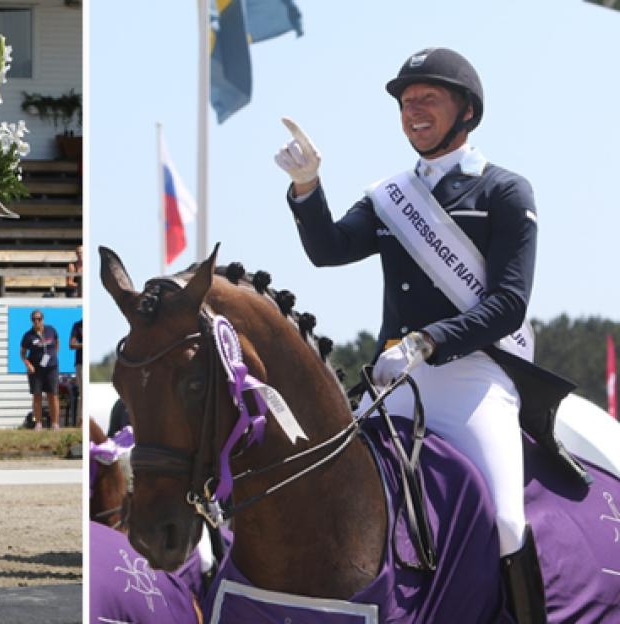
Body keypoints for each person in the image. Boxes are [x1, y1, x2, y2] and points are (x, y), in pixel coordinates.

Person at [274, 47, 560, 620]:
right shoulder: (390, 196)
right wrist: (308, 187)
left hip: (474, 378)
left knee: (505, 519)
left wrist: (427, 341)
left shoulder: (504, 192)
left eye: (427, 98)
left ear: (467, 111)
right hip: (394, 381)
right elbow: (329, 250)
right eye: (406, 102)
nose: (413, 110)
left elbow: (508, 304)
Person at [21, 309, 60, 430]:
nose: (36, 321)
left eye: (39, 319)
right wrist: (28, 364)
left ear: (43, 319)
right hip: (36, 369)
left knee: (52, 394)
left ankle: (55, 423)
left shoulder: (51, 330)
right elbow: (22, 354)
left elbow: (57, 343)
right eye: (34, 319)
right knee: (37, 395)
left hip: (51, 368)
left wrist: (52, 355)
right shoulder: (28, 335)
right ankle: (38, 423)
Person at [69, 318, 83, 427]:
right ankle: (80, 420)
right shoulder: (77, 325)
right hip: (80, 362)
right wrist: (83, 345)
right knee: (83, 392)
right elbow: (71, 344)